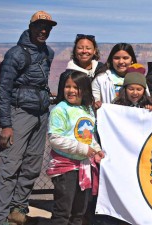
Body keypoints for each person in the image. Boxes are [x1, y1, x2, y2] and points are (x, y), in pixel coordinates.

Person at [0, 11, 57, 225]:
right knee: (10, 167)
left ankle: (17, 210)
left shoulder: (48, 52)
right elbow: (4, 89)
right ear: (31, 27)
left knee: (32, 165)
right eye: (40, 26)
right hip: (19, 114)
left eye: (47, 27)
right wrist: (6, 125)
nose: (44, 30)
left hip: (41, 115)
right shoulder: (16, 54)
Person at [47, 71, 104, 224]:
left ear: (85, 89)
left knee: (80, 211)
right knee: (63, 211)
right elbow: (55, 139)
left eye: (76, 87)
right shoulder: (60, 110)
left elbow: (89, 135)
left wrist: (96, 149)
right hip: (65, 168)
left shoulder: (87, 109)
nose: (71, 90)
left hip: (84, 166)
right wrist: (83, 149)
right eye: (67, 86)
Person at [56, 34, 104, 102]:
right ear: (75, 51)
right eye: (80, 48)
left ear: (94, 51)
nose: (84, 51)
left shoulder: (102, 70)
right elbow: (61, 100)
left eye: (88, 48)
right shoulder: (67, 75)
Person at [92, 43, 138, 108]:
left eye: (125, 58)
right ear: (111, 60)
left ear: (132, 60)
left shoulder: (139, 78)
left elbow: (145, 100)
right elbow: (93, 100)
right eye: (117, 58)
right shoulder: (101, 79)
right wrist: (96, 104)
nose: (121, 62)